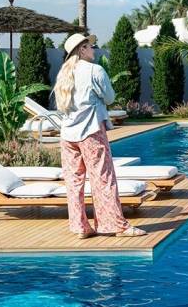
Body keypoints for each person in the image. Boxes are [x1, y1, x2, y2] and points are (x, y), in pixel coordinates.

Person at [53, 33, 146, 239]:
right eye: (90, 46)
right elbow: (110, 97)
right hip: (91, 132)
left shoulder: (64, 73)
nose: (94, 49)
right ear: (82, 49)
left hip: (67, 135)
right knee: (103, 178)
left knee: (73, 182)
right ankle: (117, 226)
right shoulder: (95, 70)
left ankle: (80, 227)